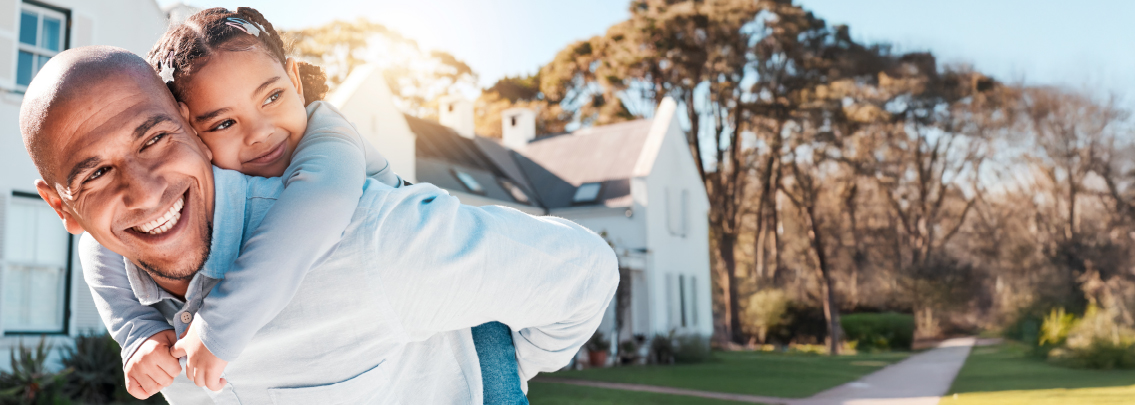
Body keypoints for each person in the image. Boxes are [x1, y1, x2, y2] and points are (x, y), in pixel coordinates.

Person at [22, 45, 618, 404]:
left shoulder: (371, 239)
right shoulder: (122, 269)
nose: (144, 190)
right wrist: (132, 335)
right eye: (95, 172)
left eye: (153, 138)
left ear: (187, 127)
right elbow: (101, 256)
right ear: (63, 208)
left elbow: (586, 272)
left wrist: (500, 370)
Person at [75, 7, 525, 402]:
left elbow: (316, 211)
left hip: (468, 319)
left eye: (272, 97)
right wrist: (136, 331)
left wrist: (220, 325)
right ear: (191, 132)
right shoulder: (201, 175)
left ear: (294, 79)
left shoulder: (327, 133)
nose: (260, 132)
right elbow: (102, 240)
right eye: (225, 122)